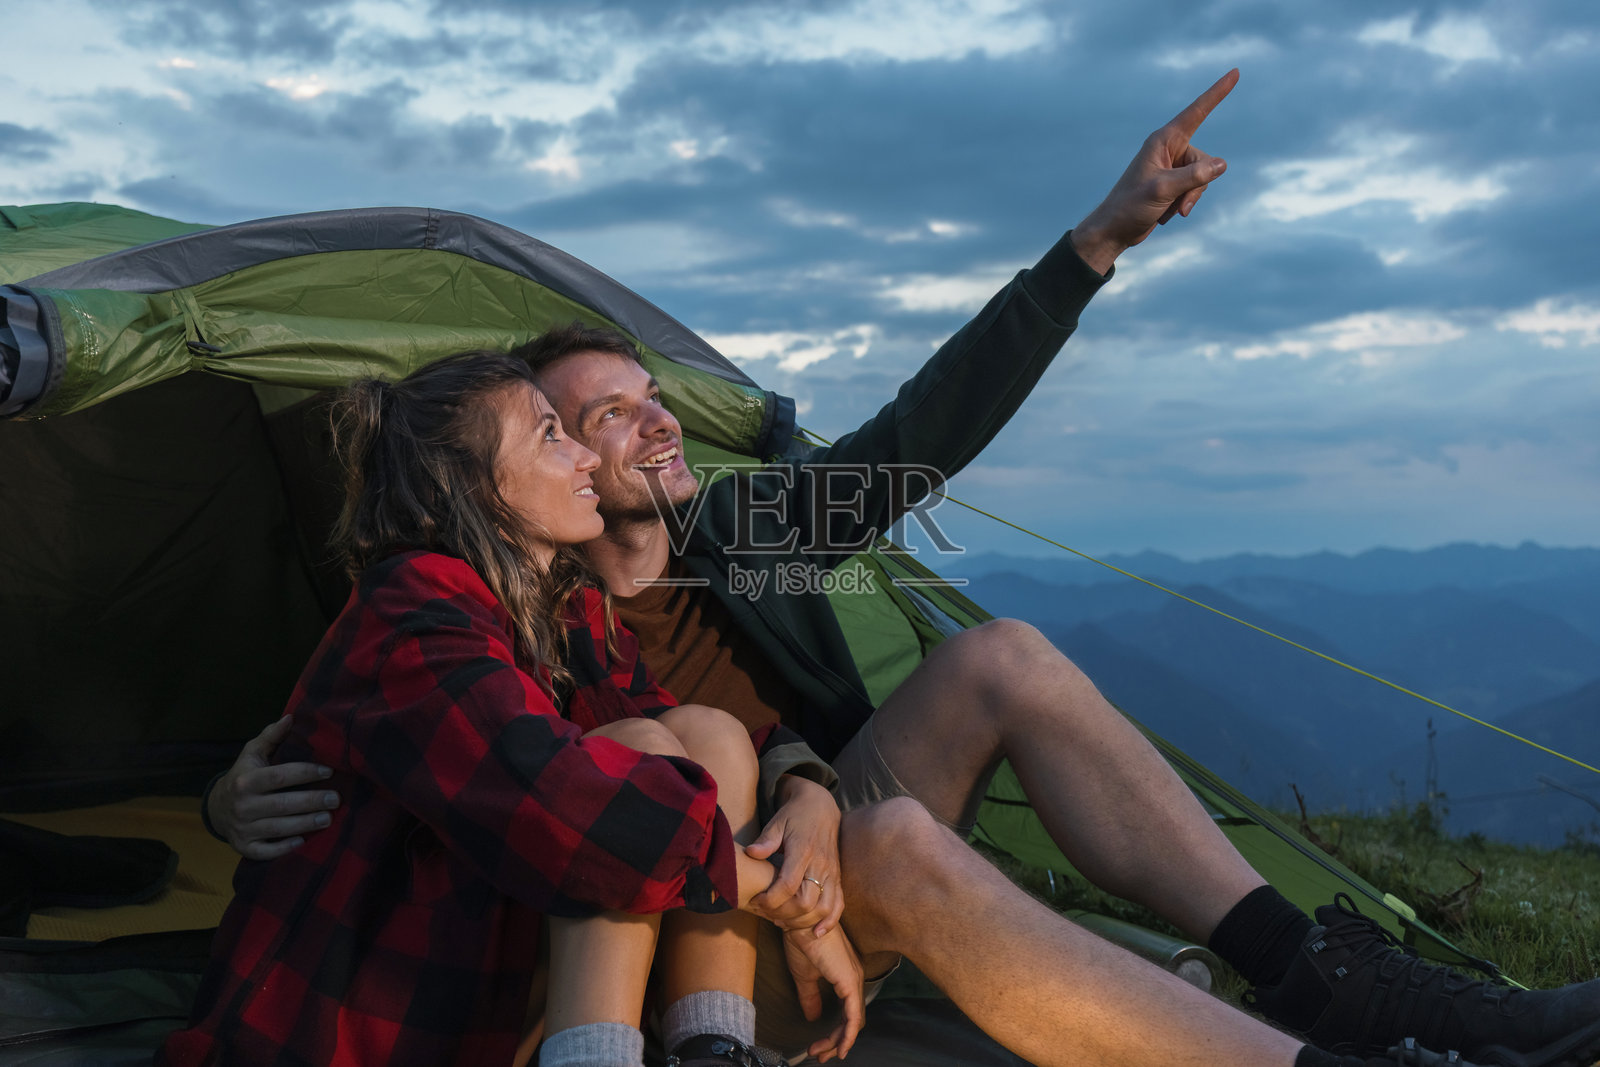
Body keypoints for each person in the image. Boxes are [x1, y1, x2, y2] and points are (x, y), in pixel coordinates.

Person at [208, 72, 1600, 1067]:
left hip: (781, 852)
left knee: (1000, 659)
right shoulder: (506, 604)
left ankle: (1323, 974)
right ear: (526, 466)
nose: (652, 423)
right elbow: (435, 751)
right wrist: (229, 789)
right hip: (670, 903)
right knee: (852, 826)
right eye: (599, 417)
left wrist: (1092, 247)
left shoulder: (741, 529)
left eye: (651, 396)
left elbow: (916, 441)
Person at [161, 351, 860, 1067]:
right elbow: (566, 809)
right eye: (552, 435)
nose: (586, 457)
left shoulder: (569, 608)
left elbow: (694, 736)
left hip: (485, 976)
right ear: (468, 485)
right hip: (362, 1024)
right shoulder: (412, 609)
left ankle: (715, 1050)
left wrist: (802, 785)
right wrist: (785, 898)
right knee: (631, 771)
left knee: (701, 731)